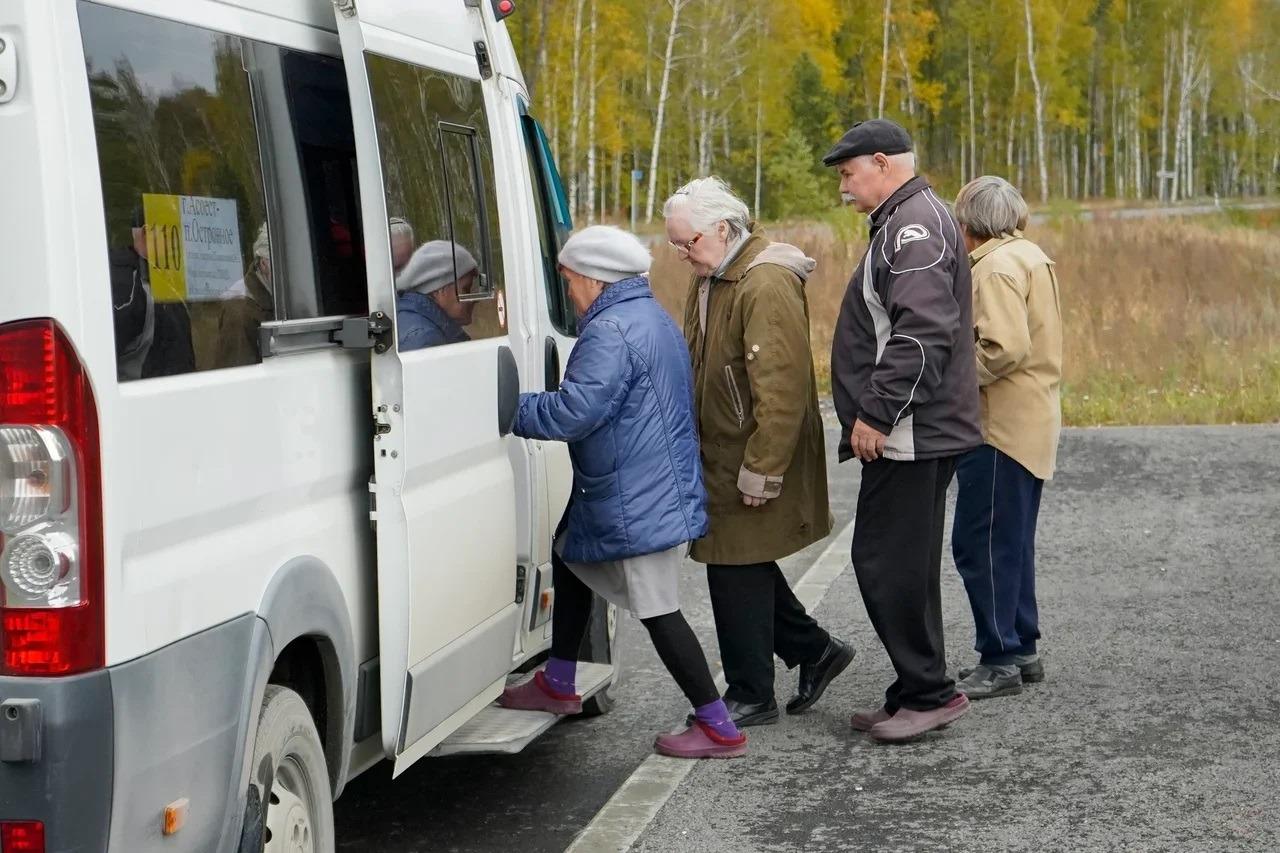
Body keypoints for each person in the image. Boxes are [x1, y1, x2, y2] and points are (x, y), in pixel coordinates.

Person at [498, 225, 747, 760]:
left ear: (593, 279)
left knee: (658, 610)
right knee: (568, 558)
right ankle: (558, 680)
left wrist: (510, 410)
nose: (567, 291)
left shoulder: (610, 330)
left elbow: (575, 412)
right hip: (645, 483)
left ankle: (719, 726)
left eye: (568, 280)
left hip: (637, 496)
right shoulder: (648, 315)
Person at [663, 177, 853, 729]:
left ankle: (752, 693)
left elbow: (782, 385)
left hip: (749, 451)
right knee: (736, 560)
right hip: (722, 448)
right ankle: (814, 650)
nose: (681, 255)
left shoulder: (761, 281)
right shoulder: (716, 270)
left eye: (688, 243)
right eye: (675, 245)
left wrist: (763, 469)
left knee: (732, 564)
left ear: (723, 229)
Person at [823, 119, 983, 742]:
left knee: (888, 565)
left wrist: (876, 413)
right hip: (915, 430)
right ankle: (916, 686)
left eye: (848, 173)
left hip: (910, 433)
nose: (843, 187)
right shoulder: (907, 220)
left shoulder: (911, 230)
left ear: (883, 163)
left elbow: (923, 332)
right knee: (904, 564)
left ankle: (929, 692)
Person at [949, 176, 1063, 699]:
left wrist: (948, 379)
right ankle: (1022, 647)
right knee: (1011, 542)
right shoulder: (1029, 256)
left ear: (969, 221)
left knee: (981, 544)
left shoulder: (992, 267)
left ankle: (999, 659)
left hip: (998, 426)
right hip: (1029, 421)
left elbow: (1002, 348)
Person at [394, 240, 479, 350]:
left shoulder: (424, 327)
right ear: (437, 290)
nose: (474, 299)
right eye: (466, 289)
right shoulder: (425, 339)